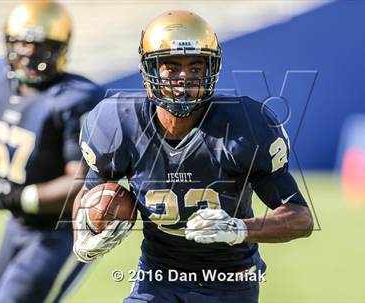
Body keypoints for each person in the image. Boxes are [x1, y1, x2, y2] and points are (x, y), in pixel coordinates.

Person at [73, 10, 313, 303]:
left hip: (229, 279)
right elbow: (90, 193)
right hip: (157, 276)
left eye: (195, 67)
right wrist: (82, 235)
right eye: (171, 68)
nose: (184, 78)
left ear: (211, 70)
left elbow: (300, 218)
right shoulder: (118, 122)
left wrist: (238, 229)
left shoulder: (245, 126)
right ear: (149, 71)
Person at [0, 1, 102, 302]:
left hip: (61, 230)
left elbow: (80, 183)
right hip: (19, 223)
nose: (30, 55)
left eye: (41, 46)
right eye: (22, 44)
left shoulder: (75, 99)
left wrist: (14, 195)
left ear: (61, 48)